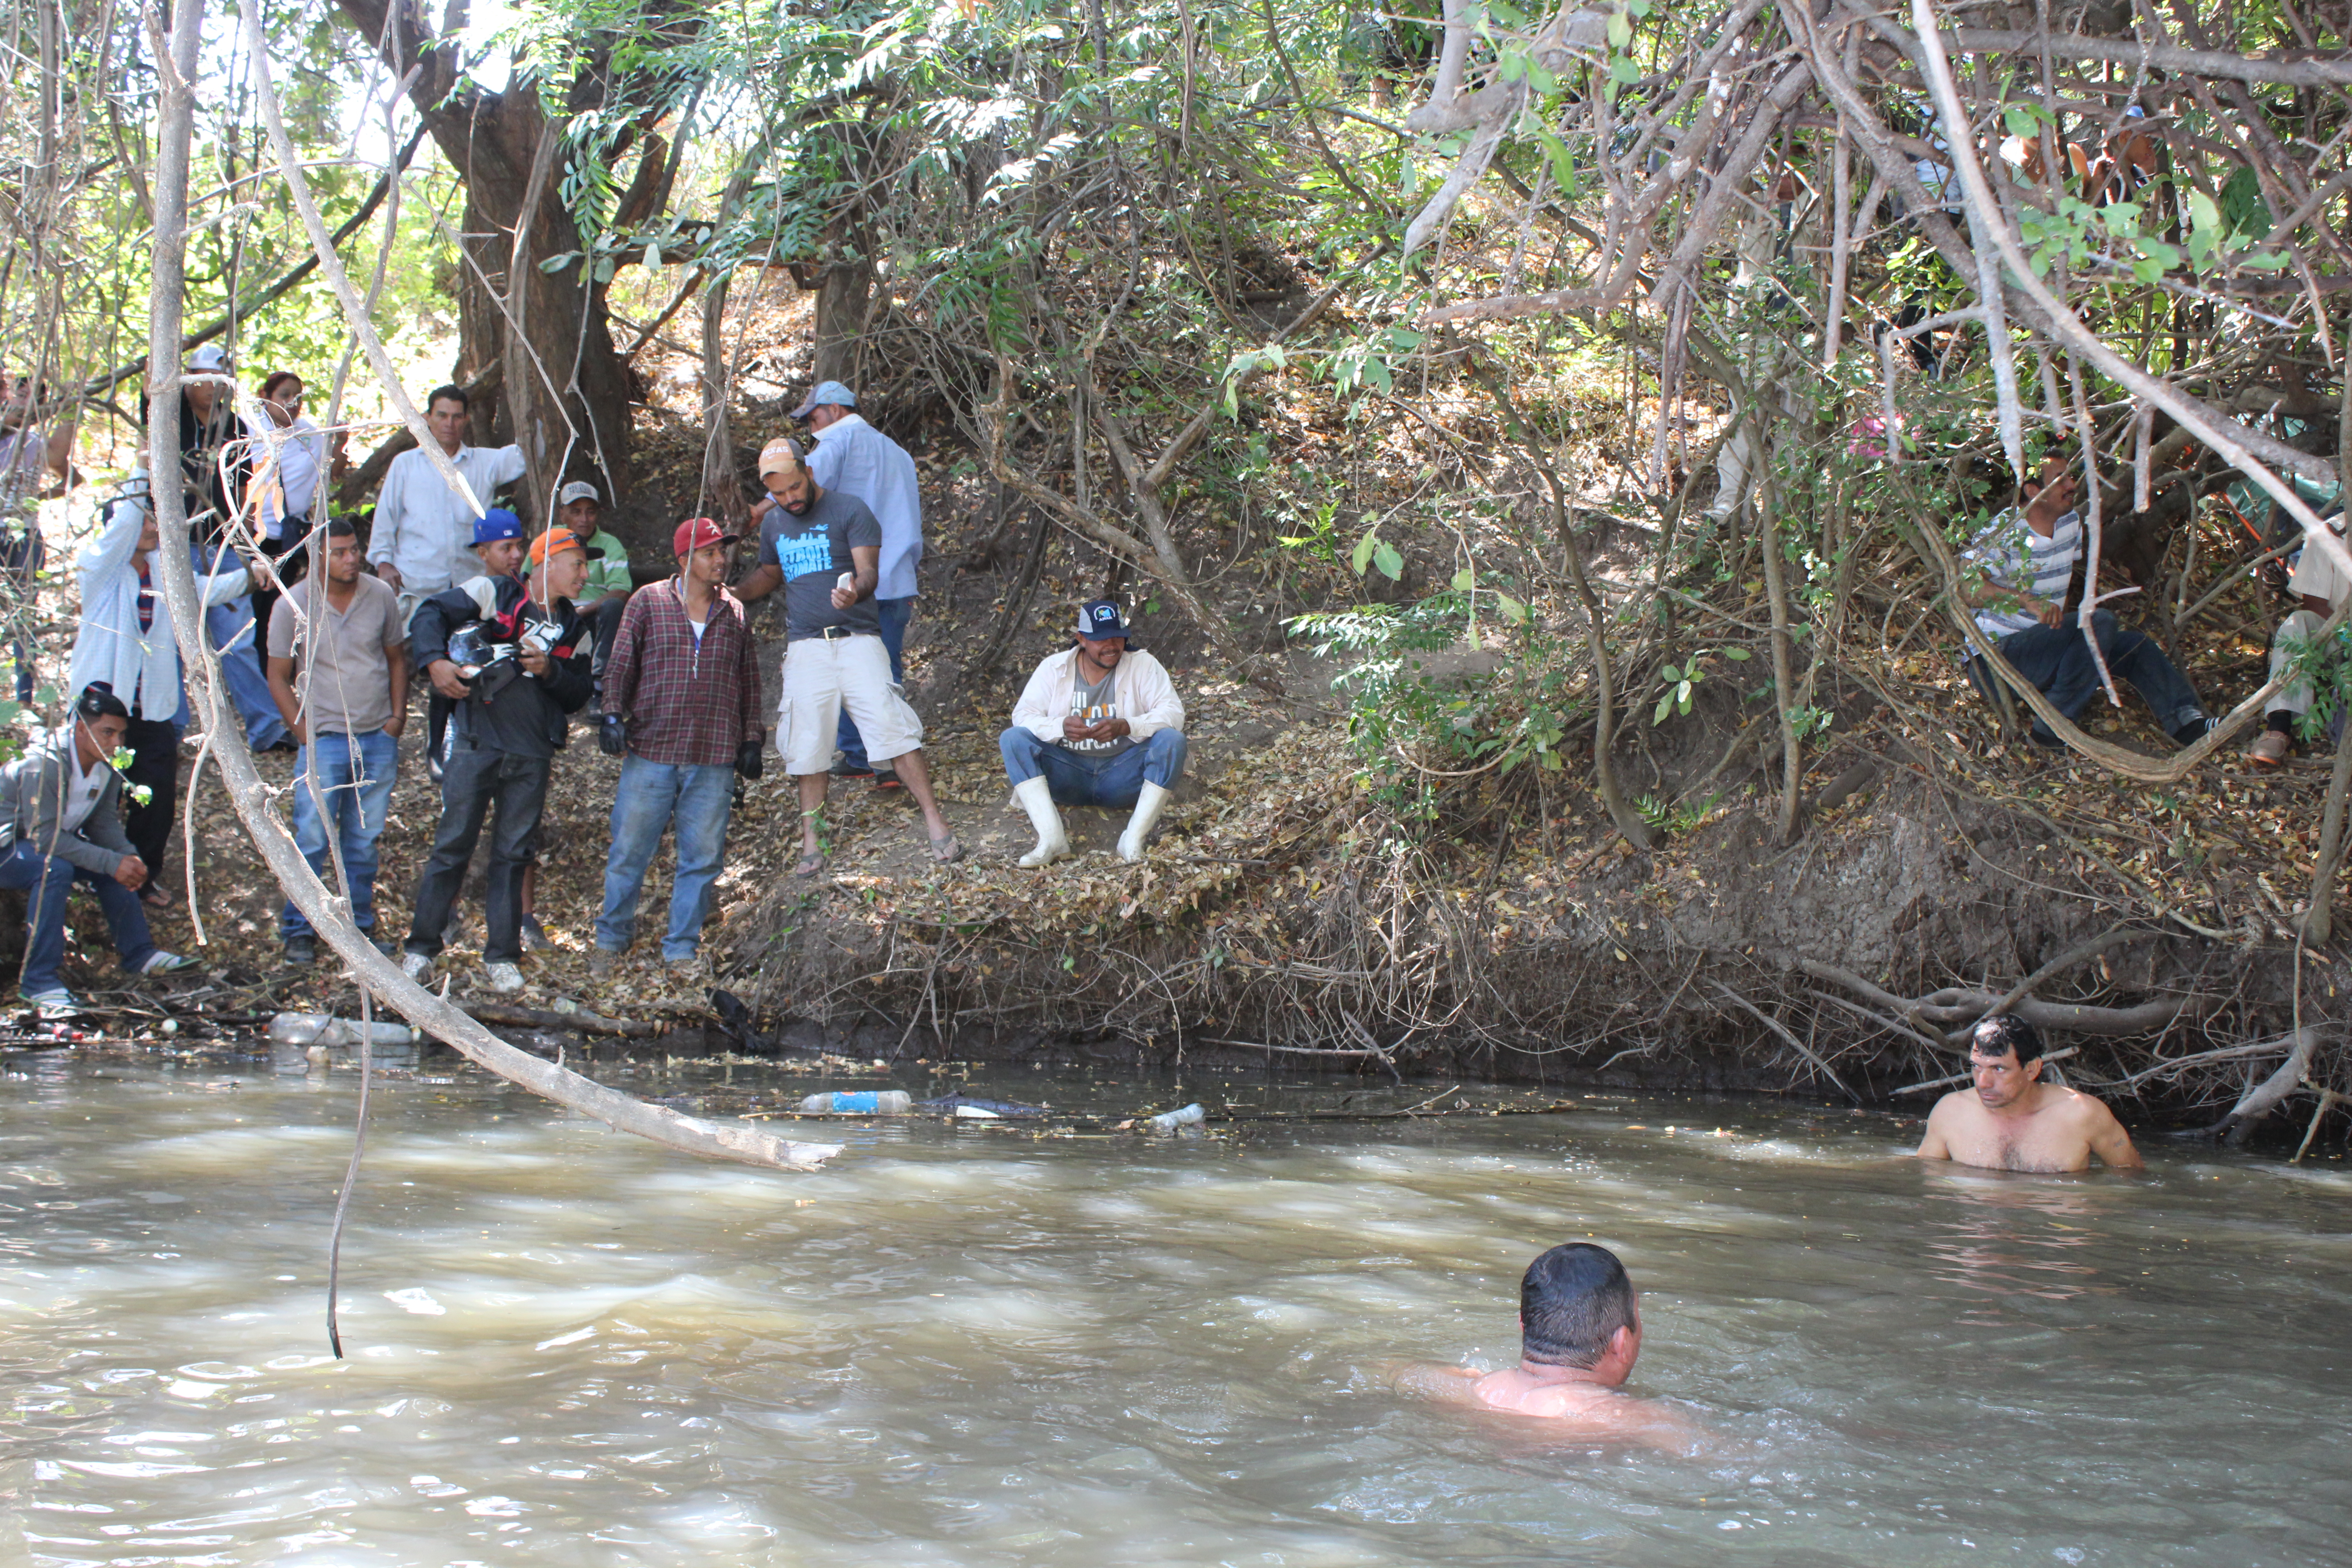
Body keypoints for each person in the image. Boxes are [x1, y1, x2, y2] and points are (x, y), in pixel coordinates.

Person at [746, 438, 960, 876]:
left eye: (795, 487)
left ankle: (935, 822)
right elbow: (769, 574)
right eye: (780, 493)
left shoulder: (849, 509)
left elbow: (869, 573)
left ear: (809, 472)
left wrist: (853, 592)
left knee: (894, 728)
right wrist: (732, 593)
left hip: (858, 639)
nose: (790, 498)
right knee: (808, 745)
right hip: (805, 646)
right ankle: (812, 842)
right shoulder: (773, 524)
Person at [400, 515, 595, 993]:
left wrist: (549, 671)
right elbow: (430, 612)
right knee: (452, 847)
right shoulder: (496, 593)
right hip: (477, 742)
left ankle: (503, 957)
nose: (584, 575)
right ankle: (420, 950)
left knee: (513, 854)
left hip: (533, 753)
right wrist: (435, 662)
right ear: (547, 563)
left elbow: (578, 694)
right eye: (576, 564)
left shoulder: (576, 627)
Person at [69, 469, 266, 908]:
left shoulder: (162, 568)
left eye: (154, 518)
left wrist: (251, 576)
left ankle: (143, 879)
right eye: (145, 519)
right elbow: (124, 523)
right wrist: (144, 469)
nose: (153, 527)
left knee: (154, 798)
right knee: (95, 794)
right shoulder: (98, 568)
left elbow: (202, 591)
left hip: (152, 708)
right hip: (102, 708)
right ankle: (91, 876)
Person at [590, 517, 765, 976]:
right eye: (710, 552)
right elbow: (621, 663)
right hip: (652, 748)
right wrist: (612, 714)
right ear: (685, 559)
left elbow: (749, 682)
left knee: (702, 860)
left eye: (722, 551)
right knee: (630, 851)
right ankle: (610, 941)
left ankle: (681, 950)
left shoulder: (734, 612)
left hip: (714, 754)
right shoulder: (648, 601)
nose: (721, 560)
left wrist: (752, 740)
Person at [1960, 456, 2216, 750]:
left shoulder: (2070, 523)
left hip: (2046, 653)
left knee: (2135, 647)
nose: (2072, 485)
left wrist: (2069, 641)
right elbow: (1966, 588)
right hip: (1996, 664)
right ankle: (2051, 730)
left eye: (2071, 477)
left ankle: (2188, 725)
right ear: (2033, 492)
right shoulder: (2004, 532)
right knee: (2100, 622)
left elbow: (2063, 589)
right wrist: (2025, 601)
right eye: (2060, 480)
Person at [752, 381, 922, 789]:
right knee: (884, 671)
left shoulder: (836, 441)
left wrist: (756, 513)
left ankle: (865, 758)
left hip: (851, 577)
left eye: (813, 418)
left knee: (844, 663)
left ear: (835, 409)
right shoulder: (897, 452)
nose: (812, 429)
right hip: (898, 574)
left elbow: (796, 484)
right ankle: (883, 760)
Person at [1391, 1243, 1706, 1453]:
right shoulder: (1633, 1419)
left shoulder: (1462, 1389)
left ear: (1523, 1324)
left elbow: (1384, 1367)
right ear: (1621, 1343)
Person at [0, 684, 199, 1014]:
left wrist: (128, 856)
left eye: (121, 734)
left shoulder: (107, 763)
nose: (116, 743)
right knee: (55, 869)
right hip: (9, 847)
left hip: (44, 844)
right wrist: (111, 862)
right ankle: (38, 982)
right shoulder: (44, 765)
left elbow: (102, 821)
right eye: (107, 733)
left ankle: (140, 954)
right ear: (80, 729)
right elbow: (44, 838)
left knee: (117, 865)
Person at [265, 517, 407, 965]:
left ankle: (359, 930)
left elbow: (397, 658)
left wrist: (397, 717)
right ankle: (299, 931)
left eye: (354, 550)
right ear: (317, 556)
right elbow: (277, 675)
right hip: (324, 739)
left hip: (376, 735)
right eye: (340, 552)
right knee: (311, 837)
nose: (351, 559)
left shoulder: (380, 595)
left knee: (363, 841)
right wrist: (303, 732)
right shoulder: (293, 604)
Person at [367, 384, 525, 776]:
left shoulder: (485, 462)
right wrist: (383, 563)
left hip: (468, 588)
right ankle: (388, 741)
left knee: (461, 662)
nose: (449, 424)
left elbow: (530, 452)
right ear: (427, 418)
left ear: (467, 420)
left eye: (457, 416)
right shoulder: (406, 465)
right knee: (409, 663)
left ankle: (447, 746)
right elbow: (385, 520)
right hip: (417, 585)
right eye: (441, 415)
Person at [1003, 599, 1187, 867]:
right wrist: (1060, 726)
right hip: (1068, 775)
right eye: (1101, 639)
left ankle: (1132, 839)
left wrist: (1127, 726)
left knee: (1172, 741)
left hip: (1122, 775)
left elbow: (1174, 713)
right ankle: (1052, 840)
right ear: (1081, 639)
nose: (1111, 646)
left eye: (1118, 637)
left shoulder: (1143, 664)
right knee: (1012, 738)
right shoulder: (1054, 667)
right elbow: (1023, 716)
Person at [178, 345, 291, 755]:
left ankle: (266, 728)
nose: (211, 388)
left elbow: (242, 494)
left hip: (222, 544)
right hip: (176, 545)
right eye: (202, 379)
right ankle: (169, 732)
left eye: (217, 380)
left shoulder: (235, 428)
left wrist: (247, 547)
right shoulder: (172, 419)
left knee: (239, 640)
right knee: (172, 642)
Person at [1916, 1014, 2144, 1172]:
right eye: (1976, 1067)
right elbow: (1925, 1182)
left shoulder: (2082, 1114)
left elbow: (2131, 1179)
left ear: (2032, 1069)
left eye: (1999, 1069)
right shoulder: (1951, 1112)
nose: (1983, 1083)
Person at [2247, 517, 2351, 767]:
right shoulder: (2331, 531)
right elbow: (2314, 604)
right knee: (2299, 623)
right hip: (2338, 638)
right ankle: (2279, 725)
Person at [243, 370, 329, 663]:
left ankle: (276, 668)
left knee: (279, 608)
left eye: (298, 397)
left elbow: (330, 470)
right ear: (265, 397)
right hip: (254, 536)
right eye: (284, 395)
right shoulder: (247, 430)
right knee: (252, 607)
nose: (292, 403)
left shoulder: (309, 435)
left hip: (289, 539)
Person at [0, 370, 76, 703]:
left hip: (26, 534)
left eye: (35, 398)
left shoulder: (32, 442)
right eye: (20, 394)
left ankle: (25, 697)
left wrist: (72, 405)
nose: (25, 402)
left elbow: (64, 469)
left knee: (24, 616)